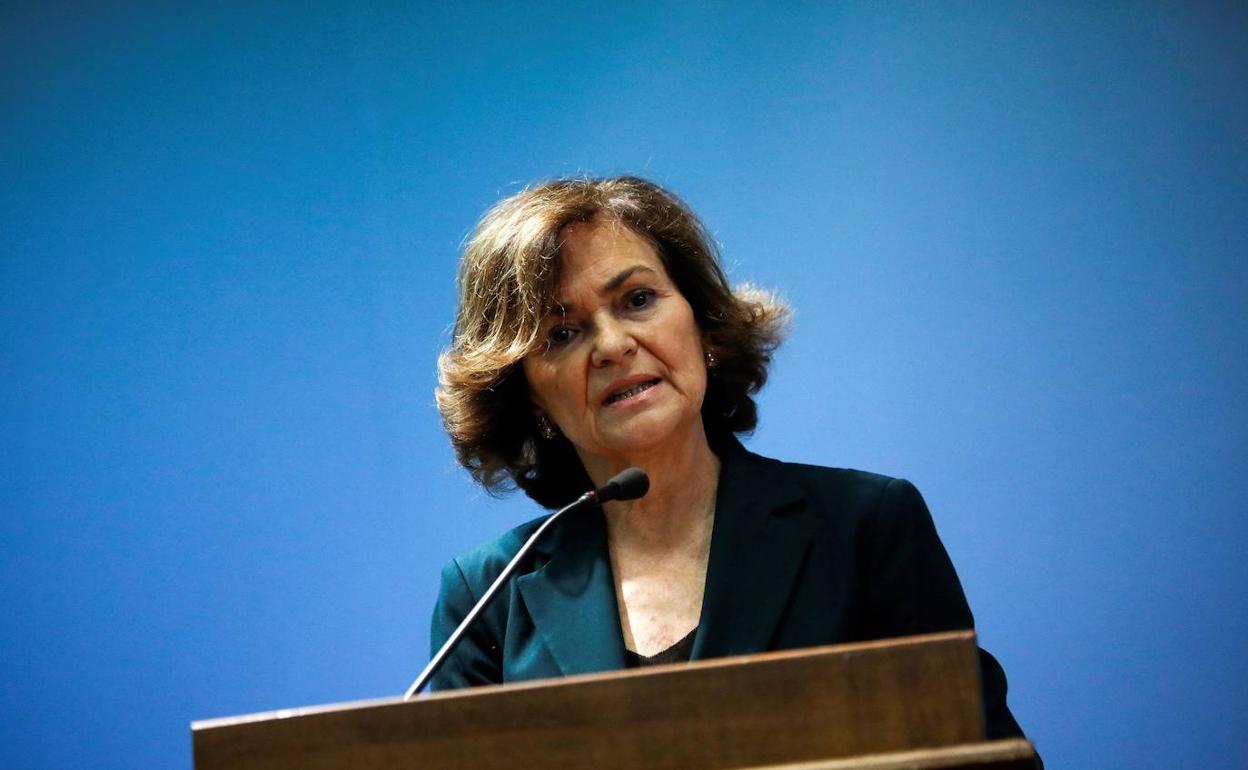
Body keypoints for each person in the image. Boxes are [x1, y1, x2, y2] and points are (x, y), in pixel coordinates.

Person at [430, 176, 1034, 744]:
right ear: (530, 395)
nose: (612, 345)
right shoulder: (488, 595)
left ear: (703, 326)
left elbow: (985, 754)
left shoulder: (865, 527)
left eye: (638, 300)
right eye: (561, 334)